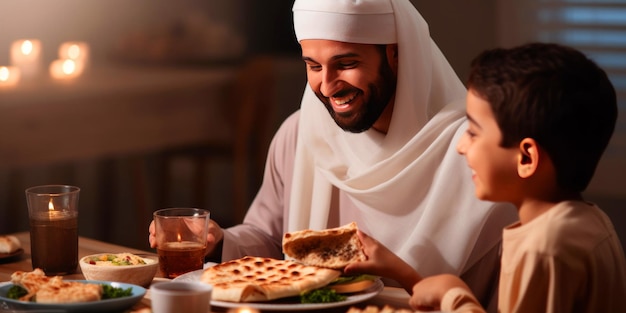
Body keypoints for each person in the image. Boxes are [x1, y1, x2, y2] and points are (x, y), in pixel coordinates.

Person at [149, 0, 517, 308]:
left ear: (396, 54)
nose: (326, 86)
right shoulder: (299, 132)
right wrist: (219, 240)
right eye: (313, 66)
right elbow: (268, 235)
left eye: (346, 63)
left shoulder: (472, 149)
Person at [347, 42, 626, 312]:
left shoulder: (544, 248)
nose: (461, 146)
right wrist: (407, 275)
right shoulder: (590, 222)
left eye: (473, 132)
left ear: (526, 158)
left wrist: (454, 294)